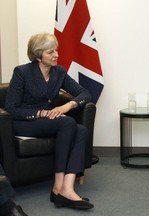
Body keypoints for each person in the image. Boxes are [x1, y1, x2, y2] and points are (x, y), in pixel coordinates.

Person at [5, 33, 94, 210]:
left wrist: (68, 105)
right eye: (50, 52)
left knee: (81, 130)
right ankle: (58, 186)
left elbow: (85, 93)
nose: (56, 55)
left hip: (50, 122)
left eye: (56, 51)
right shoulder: (22, 72)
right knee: (67, 123)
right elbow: (11, 109)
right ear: (37, 55)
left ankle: (67, 187)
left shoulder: (58, 72)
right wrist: (42, 113)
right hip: (25, 122)